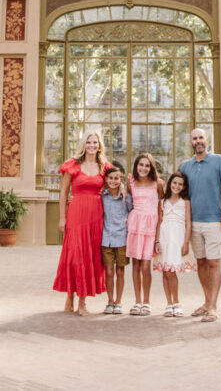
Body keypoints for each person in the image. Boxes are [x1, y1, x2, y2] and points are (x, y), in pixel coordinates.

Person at [52, 131, 113, 316]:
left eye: (95, 142)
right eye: (89, 142)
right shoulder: (73, 165)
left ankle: (82, 302)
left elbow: (114, 186)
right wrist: (62, 217)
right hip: (76, 214)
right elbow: (63, 192)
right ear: (84, 144)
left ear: (99, 145)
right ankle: (70, 295)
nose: (92, 145)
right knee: (74, 254)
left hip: (95, 216)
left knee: (89, 256)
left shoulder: (105, 167)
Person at [179, 128, 221, 323]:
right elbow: (178, 192)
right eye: (194, 138)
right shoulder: (185, 166)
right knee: (200, 262)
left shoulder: (219, 161)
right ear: (191, 142)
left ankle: (213, 307)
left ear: (206, 140)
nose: (198, 141)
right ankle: (207, 301)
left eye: (201, 137)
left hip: (215, 222)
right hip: (194, 223)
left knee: (213, 262)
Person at [125, 152, 163, 316]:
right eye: (141, 165)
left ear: (151, 168)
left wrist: (158, 237)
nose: (143, 168)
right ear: (136, 166)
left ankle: (147, 302)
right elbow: (120, 198)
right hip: (135, 225)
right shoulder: (130, 183)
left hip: (150, 226)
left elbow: (161, 209)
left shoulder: (158, 184)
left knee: (146, 266)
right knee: (136, 265)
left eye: (147, 165)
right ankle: (137, 301)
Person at [152, 172, 194, 317]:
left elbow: (188, 223)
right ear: (170, 183)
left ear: (184, 187)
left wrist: (186, 242)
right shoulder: (162, 201)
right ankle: (169, 304)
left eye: (180, 184)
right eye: (174, 183)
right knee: (165, 270)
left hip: (177, 238)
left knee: (172, 271)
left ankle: (176, 302)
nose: (176, 186)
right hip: (164, 237)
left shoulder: (185, 202)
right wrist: (157, 241)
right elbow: (159, 222)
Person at [100, 166, 132, 315]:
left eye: (116, 178)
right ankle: (110, 301)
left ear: (121, 180)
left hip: (121, 239)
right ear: (106, 179)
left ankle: (118, 302)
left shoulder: (126, 197)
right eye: (110, 178)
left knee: (120, 271)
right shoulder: (102, 196)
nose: (113, 181)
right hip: (106, 239)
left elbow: (133, 212)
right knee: (109, 271)